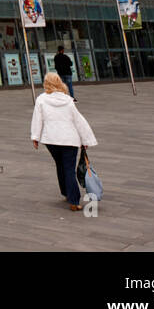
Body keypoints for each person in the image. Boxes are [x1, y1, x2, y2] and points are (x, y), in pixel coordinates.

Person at [30, 72, 97, 211]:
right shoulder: (68, 100)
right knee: (68, 168)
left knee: (60, 165)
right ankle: (74, 200)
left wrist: (35, 137)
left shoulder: (41, 99)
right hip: (69, 139)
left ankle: (66, 192)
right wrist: (86, 139)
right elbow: (78, 121)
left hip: (51, 140)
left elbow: (37, 119)